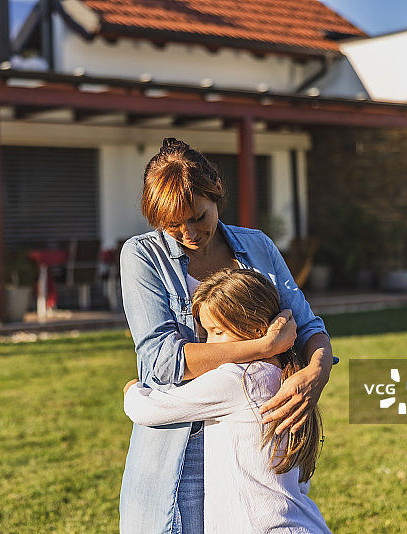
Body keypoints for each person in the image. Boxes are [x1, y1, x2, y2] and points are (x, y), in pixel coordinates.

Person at [119, 138, 334, 533]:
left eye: (198, 217)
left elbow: (308, 327)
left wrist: (316, 373)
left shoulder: (257, 246)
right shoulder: (141, 256)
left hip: (249, 442)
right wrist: (264, 347)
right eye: (172, 224)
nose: (188, 233)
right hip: (177, 447)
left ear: (215, 194)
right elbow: (164, 362)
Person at [124, 268, 331, 533]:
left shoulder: (237, 379)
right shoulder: (287, 379)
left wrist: (132, 389)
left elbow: (150, 409)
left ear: (257, 331)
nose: (210, 343)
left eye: (218, 332)